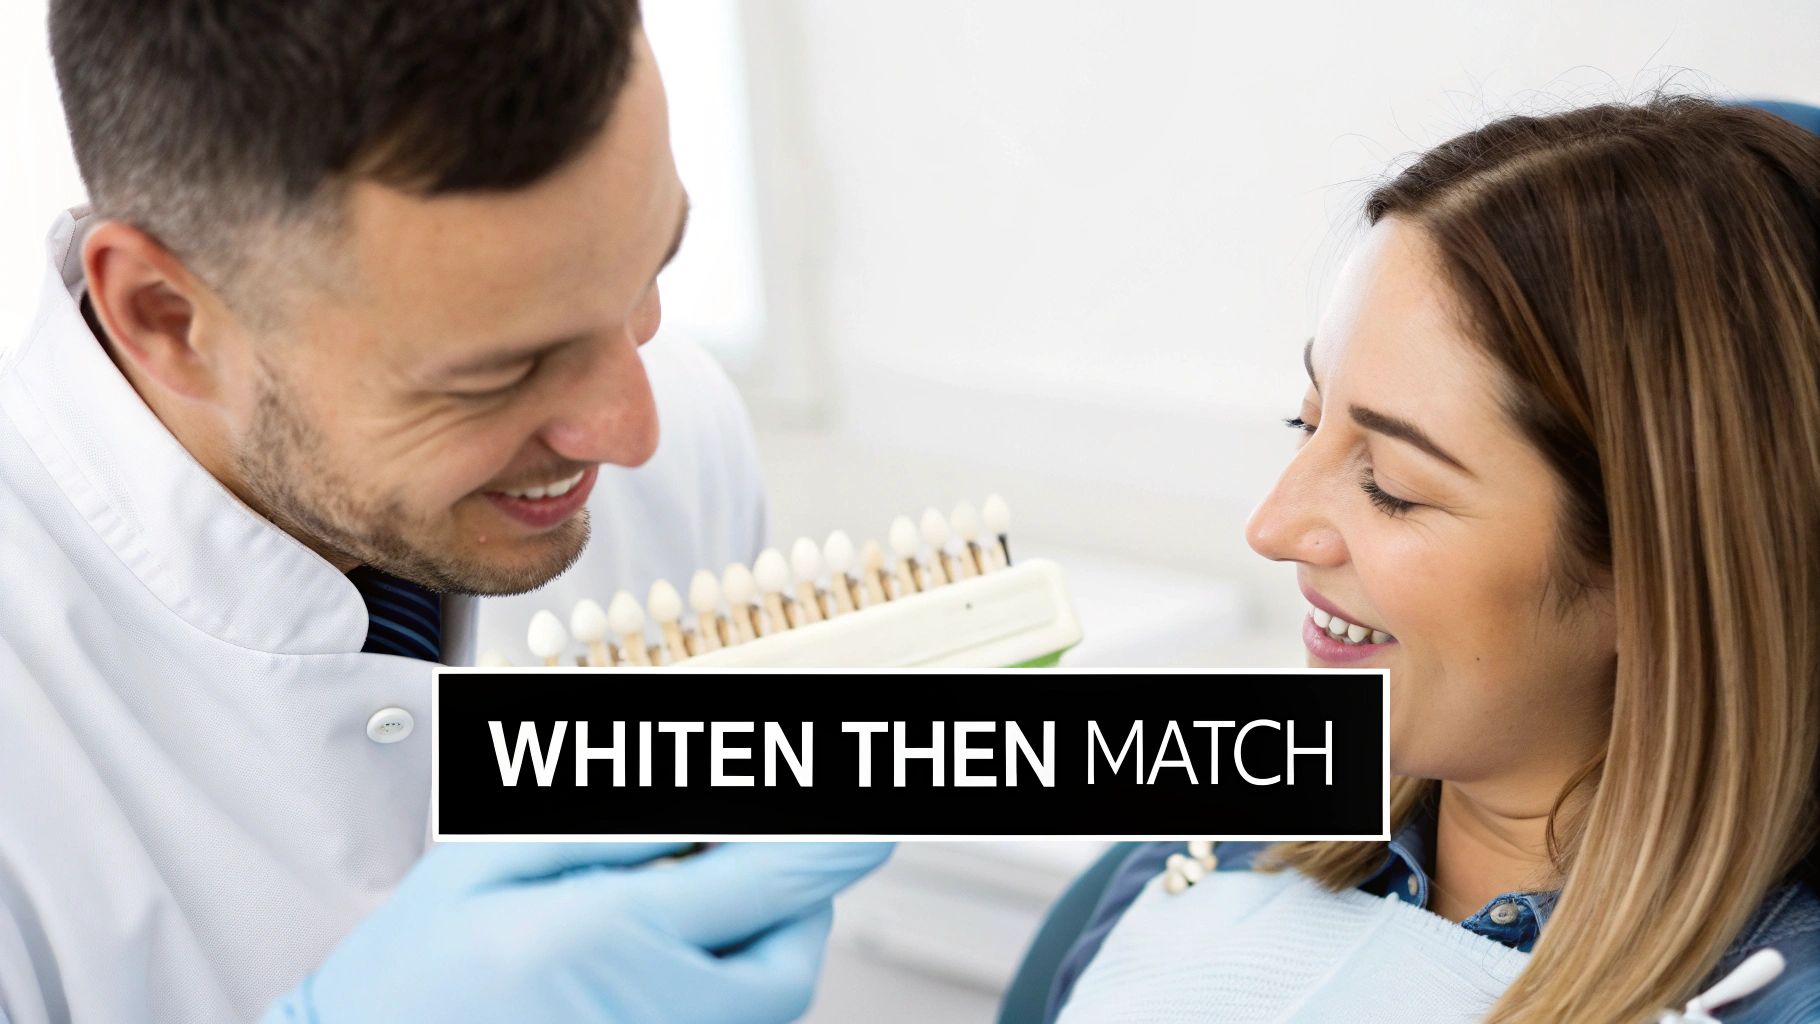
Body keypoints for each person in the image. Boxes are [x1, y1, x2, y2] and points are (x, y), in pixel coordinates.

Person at [0, 2, 886, 1022]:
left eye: (648, 276)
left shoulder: (673, 453)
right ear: (169, 319)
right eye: (499, 371)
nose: (631, 429)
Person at [1042, 97, 1820, 1022]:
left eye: (1394, 484)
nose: (1274, 526)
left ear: (1664, 576)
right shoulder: (1208, 859)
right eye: (1308, 420)